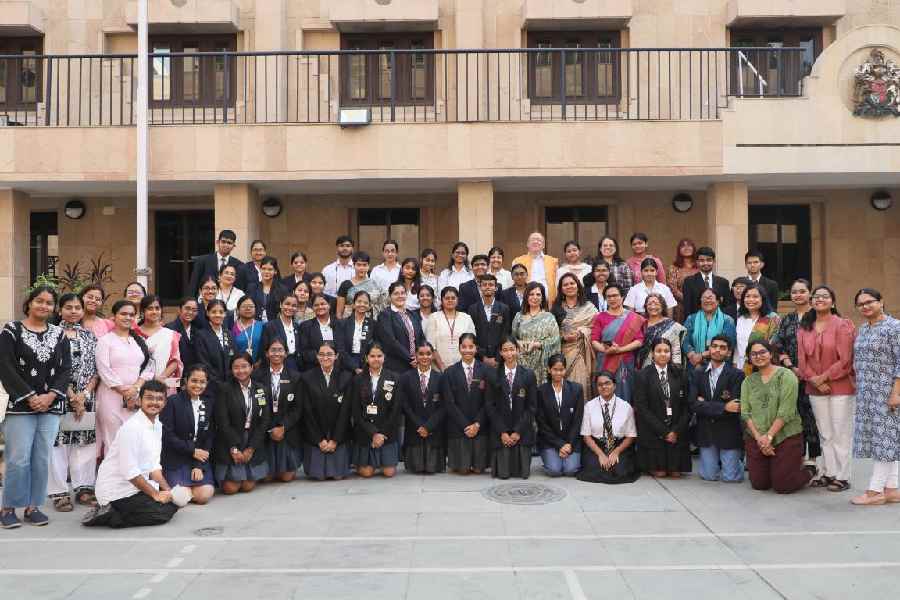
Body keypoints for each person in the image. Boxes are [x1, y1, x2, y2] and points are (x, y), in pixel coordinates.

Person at [0, 286, 71, 529]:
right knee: (18, 458)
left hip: (50, 406)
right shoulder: (12, 331)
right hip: (19, 405)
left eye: (49, 303)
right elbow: (5, 366)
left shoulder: (59, 334)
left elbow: (65, 369)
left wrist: (51, 396)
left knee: (42, 458)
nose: (44, 306)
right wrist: (30, 396)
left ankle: (33, 507)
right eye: (39, 301)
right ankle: (8, 507)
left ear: (54, 308)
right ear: (29, 303)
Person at [82, 380, 178, 528]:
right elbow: (130, 472)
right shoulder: (132, 428)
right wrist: (155, 494)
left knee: (172, 504)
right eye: (149, 398)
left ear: (165, 402)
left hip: (135, 488)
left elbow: (154, 468)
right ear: (139, 400)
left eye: (159, 399)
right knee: (163, 513)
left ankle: (117, 511)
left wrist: (169, 491)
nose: (154, 402)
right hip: (117, 491)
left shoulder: (157, 426)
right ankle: (110, 514)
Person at [796, 285, 856, 493]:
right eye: (816, 296)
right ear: (811, 302)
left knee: (841, 432)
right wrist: (814, 380)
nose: (819, 299)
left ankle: (843, 476)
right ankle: (829, 472)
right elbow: (802, 360)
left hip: (840, 386)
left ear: (833, 301)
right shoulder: (805, 327)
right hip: (815, 388)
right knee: (825, 432)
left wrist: (824, 377)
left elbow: (846, 359)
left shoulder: (842, 325)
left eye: (825, 296)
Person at [48, 293, 100, 512]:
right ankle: (59, 492)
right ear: (59, 310)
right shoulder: (52, 335)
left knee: (85, 443)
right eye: (68, 307)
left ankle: (83, 487)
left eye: (77, 307)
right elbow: (51, 369)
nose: (73, 311)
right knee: (58, 446)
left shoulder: (90, 336)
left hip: (87, 397)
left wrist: (84, 395)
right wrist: (71, 396)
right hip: (59, 396)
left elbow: (97, 369)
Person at [741, 340, 813, 494]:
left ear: (771, 354)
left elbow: (786, 411)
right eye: (753, 354)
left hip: (785, 436)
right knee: (760, 484)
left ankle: (809, 471)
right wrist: (760, 438)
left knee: (783, 486)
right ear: (749, 357)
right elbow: (745, 413)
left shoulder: (786, 376)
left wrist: (769, 436)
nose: (758, 356)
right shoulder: (748, 381)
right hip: (757, 437)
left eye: (762, 352)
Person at [850, 288, 900, 506]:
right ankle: (891, 489)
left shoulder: (894, 327)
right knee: (888, 441)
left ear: (881, 302)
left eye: (869, 302)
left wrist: (896, 393)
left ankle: (874, 491)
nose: (865, 306)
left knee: (884, 441)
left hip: (887, 393)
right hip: (867, 394)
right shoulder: (864, 328)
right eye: (860, 304)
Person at [771, 279, 822, 473]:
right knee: (797, 414)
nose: (798, 295)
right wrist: (789, 365)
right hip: (792, 375)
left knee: (814, 416)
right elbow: (779, 344)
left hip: (816, 376)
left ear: (810, 293)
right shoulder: (787, 319)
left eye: (802, 291)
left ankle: (815, 457)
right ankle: (799, 455)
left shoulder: (819, 316)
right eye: (794, 292)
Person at [95, 300, 154, 458]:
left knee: (133, 441)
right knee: (113, 442)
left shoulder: (139, 341)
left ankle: (132, 481)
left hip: (135, 397)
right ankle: (112, 481)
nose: (127, 317)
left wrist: (135, 389)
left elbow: (150, 366)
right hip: (110, 397)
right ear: (114, 316)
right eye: (123, 314)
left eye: (131, 314)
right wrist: (124, 391)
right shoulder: (105, 341)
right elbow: (103, 370)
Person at [688, 335, 745, 482]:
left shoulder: (737, 375)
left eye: (722, 347)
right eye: (714, 346)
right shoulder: (698, 373)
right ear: (709, 349)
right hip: (706, 430)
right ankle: (718, 463)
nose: (717, 350)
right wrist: (724, 406)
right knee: (709, 476)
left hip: (728, 429)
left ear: (729, 352)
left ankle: (737, 462)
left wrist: (705, 404)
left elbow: (736, 406)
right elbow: (692, 404)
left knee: (730, 478)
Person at [212, 353, 271, 494]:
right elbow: (222, 422)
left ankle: (247, 470)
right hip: (231, 438)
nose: (241, 370)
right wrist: (234, 449)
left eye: (244, 366)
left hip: (251, 438)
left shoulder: (261, 389)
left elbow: (264, 421)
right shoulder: (224, 389)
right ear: (231, 370)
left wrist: (251, 448)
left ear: (252, 367)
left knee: (247, 487)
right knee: (231, 488)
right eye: (236, 367)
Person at [633, 339, 692, 477]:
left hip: (676, 431)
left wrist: (675, 431)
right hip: (654, 432)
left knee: (675, 474)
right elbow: (642, 408)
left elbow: (687, 406)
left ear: (671, 353)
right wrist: (664, 431)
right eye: (658, 351)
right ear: (652, 354)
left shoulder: (680, 373)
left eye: (666, 351)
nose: (663, 354)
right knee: (660, 473)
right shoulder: (643, 375)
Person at [159, 366, 215, 505]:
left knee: (204, 495)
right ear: (186, 381)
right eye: (194, 381)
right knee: (180, 498)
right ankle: (184, 491)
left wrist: (198, 465)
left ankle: (187, 491)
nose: (198, 385)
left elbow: (208, 436)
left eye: (202, 382)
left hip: (198, 458)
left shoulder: (208, 403)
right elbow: (167, 436)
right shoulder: (173, 401)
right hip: (176, 457)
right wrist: (192, 450)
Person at [300, 342, 354, 481]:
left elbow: (345, 412)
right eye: (322, 354)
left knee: (338, 476)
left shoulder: (346, 377)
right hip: (316, 435)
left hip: (338, 434)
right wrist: (319, 440)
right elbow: (307, 413)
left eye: (329, 354)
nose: (325, 358)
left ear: (336, 356)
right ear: (317, 357)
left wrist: (335, 440)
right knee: (319, 477)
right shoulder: (307, 378)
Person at [487, 337, 537, 479]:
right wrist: (503, 432)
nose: (509, 354)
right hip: (500, 429)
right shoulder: (492, 375)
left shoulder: (528, 375)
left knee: (522, 473)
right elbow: (490, 406)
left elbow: (532, 407)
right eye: (505, 350)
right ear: (500, 353)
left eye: (512, 349)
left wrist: (517, 431)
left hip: (521, 429)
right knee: (503, 474)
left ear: (518, 350)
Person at [253, 338, 303, 483]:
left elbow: (298, 408)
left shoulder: (295, 377)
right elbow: (256, 405)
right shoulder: (257, 376)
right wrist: (269, 429)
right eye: (273, 350)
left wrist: (283, 427)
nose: (276, 353)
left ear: (286, 353)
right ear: (267, 353)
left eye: (280, 350)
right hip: (264, 428)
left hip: (286, 429)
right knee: (267, 478)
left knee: (286, 477)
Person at [577, 370, 639, 484]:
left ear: (614, 385)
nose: (604, 387)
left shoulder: (625, 407)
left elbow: (631, 436)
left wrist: (616, 452)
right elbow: (586, 436)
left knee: (620, 471)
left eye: (607, 383)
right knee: (593, 470)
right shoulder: (589, 406)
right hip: (597, 445)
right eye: (600, 384)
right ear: (596, 387)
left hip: (618, 445)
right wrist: (600, 454)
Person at [442, 333, 492, 474]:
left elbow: (489, 402)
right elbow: (449, 404)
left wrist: (477, 424)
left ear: (476, 348)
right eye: (464, 347)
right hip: (459, 428)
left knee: (478, 470)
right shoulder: (449, 372)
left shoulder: (486, 371)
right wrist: (465, 425)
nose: (467, 350)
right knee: (462, 470)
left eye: (471, 347)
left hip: (480, 427)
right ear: (459, 348)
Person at [352, 343, 403, 478]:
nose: (376, 359)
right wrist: (373, 433)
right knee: (367, 473)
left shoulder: (394, 378)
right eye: (372, 356)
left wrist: (381, 433)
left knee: (389, 473)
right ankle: (362, 463)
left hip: (386, 431)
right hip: (366, 431)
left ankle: (379, 460)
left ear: (384, 357)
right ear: (366, 358)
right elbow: (356, 411)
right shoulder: (358, 379)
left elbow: (396, 409)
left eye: (379, 356)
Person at [590, 284, 645, 402]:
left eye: (615, 295)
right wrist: (606, 350)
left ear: (622, 297)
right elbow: (594, 340)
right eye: (608, 296)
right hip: (605, 361)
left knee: (625, 395)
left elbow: (639, 341)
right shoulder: (600, 317)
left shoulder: (633, 318)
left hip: (625, 362)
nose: (612, 299)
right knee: (605, 394)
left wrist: (619, 350)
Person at [400, 342, 446, 474]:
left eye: (428, 354)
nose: (425, 357)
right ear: (416, 355)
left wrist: (429, 426)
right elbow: (405, 405)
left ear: (432, 356)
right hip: (414, 430)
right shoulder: (406, 378)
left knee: (431, 469)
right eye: (421, 354)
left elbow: (444, 406)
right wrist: (419, 425)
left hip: (434, 430)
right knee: (417, 469)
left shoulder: (441, 378)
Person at [551, 273, 598, 399]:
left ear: (578, 286)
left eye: (572, 283)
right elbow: (551, 332)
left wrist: (582, 331)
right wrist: (564, 337)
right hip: (563, 353)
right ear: (561, 289)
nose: (569, 286)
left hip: (583, 352)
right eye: (565, 285)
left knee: (581, 385)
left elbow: (597, 327)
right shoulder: (556, 309)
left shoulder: (589, 307)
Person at [536, 355, 583, 477]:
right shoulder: (541, 391)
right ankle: (552, 457)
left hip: (571, 440)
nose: (558, 373)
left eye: (561, 369)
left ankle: (564, 457)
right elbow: (542, 423)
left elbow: (577, 421)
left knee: (570, 470)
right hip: (550, 440)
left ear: (565, 370)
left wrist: (568, 444)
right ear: (549, 370)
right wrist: (559, 444)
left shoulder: (576, 389)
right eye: (555, 369)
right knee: (554, 470)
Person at [511, 282, 561, 385]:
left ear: (543, 298)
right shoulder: (519, 316)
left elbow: (555, 340)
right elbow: (513, 338)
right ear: (526, 297)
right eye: (531, 294)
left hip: (542, 365)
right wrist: (519, 343)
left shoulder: (549, 317)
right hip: (522, 362)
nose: (535, 297)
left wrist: (537, 344)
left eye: (538, 294)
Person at [137, 295, 183, 396]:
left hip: (164, 384)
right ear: (142, 311)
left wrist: (160, 379)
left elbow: (175, 361)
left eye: (157, 308)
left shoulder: (170, 334)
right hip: (137, 384)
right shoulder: (133, 334)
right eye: (150, 308)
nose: (154, 311)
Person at [375, 282, 425, 375]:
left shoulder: (413, 314)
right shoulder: (385, 315)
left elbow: (421, 337)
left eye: (402, 293)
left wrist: (419, 357)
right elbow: (391, 342)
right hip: (396, 367)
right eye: (396, 293)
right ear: (390, 296)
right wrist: (410, 358)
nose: (400, 296)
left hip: (416, 366)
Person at [424, 286, 477, 371]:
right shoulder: (434, 317)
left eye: (453, 298)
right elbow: (431, 346)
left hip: (463, 369)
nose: (450, 300)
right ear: (442, 300)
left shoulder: (466, 318)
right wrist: (442, 367)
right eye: (447, 298)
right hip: (439, 369)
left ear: (457, 300)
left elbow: (472, 344)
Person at [734, 283, 781, 374]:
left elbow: (773, 345)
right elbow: (737, 345)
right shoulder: (740, 318)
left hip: (764, 368)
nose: (751, 300)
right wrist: (735, 364)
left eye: (755, 296)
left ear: (762, 299)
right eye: (747, 296)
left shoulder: (772, 318)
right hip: (741, 368)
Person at [193, 300, 236, 396]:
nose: (218, 315)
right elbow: (203, 362)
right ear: (208, 313)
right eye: (214, 312)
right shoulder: (201, 335)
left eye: (221, 312)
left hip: (230, 385)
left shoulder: (229, 333)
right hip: (210, 386)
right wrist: (219, 384)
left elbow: (234, 358)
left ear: (225, 314)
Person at [468, 274, 511, 368]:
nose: (487, 287)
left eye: (491, 285)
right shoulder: (472, 309)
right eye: (484, 284)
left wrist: (498, 358)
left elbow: (506, 334)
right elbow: (471, 336)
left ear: (496, 288)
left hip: (499, 360)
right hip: (478, 359)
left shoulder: (504, 309)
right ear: (480, 288)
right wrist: (483, 358)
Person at [188, 229, 246, 296]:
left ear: (233, 246)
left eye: (229, 243)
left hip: (229, 304)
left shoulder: (239, 265)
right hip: (205, 302)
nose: (226, 245)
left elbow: (239, 287)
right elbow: (193, 285)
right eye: (223, 242)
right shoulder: (202, 261)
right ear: (218, 242)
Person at [300, 294, 349, 372]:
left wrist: (333, 360)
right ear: (312, 308)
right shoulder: (306, 326)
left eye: (323, 304)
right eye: (316, 305)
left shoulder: (340, 324)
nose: (320, 307)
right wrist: (323, 359)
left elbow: (343, 349)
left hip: (338, 369)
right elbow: (304, 351)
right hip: (314, 369)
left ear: (329, 305)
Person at [636, 293, 686, 368]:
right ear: (645, 307)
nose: (653, 306)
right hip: (643, 368)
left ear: (662, 306)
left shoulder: (671, 326)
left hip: (666, 368)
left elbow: (676, 351)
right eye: (649, 304)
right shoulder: (641, 324)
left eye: (656, 304)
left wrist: (676, 369)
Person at [680, 247, 731, 320]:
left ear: (714, 261)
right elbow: (687, 309)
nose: (705, 263)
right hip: (697, 323)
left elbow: (727, 307)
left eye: (709, 260)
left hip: (719, 323)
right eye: (702, 260)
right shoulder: (689, 282)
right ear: (697, 262)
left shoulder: (723, 282)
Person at [335, 251, 385, 319]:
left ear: (368, 266)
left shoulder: (375, 284)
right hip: (350, 322)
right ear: (353, 265)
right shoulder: (345, 285)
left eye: (364, 265)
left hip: (371, 323)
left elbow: (381, 305)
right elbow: (339, 313)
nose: (361, 268)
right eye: (358, 265)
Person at [513, 232, 559, 303]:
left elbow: (557, 283)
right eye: (533, 239)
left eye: (539, 240)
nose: (535, 242)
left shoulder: (553, 261)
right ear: (527, 244)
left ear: (543, 245)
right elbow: (514, 282)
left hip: (548, 304)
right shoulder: (518, 261)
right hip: (525, 303)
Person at [337, 290, 376, 375]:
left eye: (366, 303)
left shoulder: (374, 324)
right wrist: (354, 367)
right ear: (353, 305)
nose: (362, 304)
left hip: (367, 365)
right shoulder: (342, 323)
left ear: (369, 306)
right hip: (346, 365)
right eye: (359, 301)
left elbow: (376, 346)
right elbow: (341, 349)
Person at [260, 294, 303, 372]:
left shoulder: (297, 326)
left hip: (295, 366)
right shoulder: (269, 326)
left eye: (294, 305)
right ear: (281, 305)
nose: (290, 308)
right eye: (287, 304)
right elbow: (264, 351)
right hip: (276, 365)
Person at [667, 238, 699, 323]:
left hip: (700, 306)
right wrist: (688, 300)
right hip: (680, 307)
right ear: (679, 250)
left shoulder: (700, 266)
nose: (686, 248)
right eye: (683, 246)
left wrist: (697, 301)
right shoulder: (673, 268)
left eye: (689, 245)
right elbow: (673, 289)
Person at [246, 256, 286, 323]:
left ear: (275, 271)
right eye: (263, 268)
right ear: (260, 270)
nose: (266, 271)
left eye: (270, 269)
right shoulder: (252, 287)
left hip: (274, 326)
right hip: (254, 324)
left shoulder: (282, 289)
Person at [165, 297, 200, 372]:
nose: (190, 312)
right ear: (180, 309)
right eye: (187, 308)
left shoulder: (197, 331)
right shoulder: (169, 329)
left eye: (194, 310)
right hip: (175, 373)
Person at [231, 296, 263, 363]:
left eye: (251, 306)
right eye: (244, 306)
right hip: (239, 367)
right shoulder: (232, 327)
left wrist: (259, 363)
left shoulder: (263, 326)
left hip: (260, 366)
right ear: (237, 310)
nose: (248, 308)